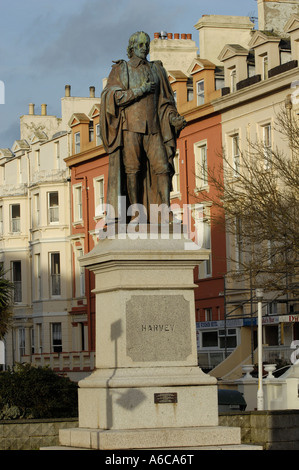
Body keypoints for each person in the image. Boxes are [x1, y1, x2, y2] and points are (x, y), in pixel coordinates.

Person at [100, 31, 186, 224]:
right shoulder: (121, 70)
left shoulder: (157, 70)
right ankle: (137, 213)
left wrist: (173, 119)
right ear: (132, 47)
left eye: (147, 45)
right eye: (140, 45)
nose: (145, 48)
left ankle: (165, 211)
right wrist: (141, 90)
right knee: (133, 170)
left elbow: (165, 102)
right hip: (130, 128)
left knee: (163, 167)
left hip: (154, 128)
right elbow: (113, 97)